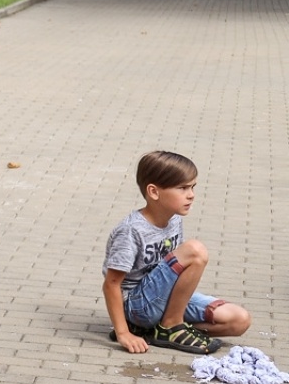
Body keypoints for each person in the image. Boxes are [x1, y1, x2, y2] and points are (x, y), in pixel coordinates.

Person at [104, 151, 249, 355]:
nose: (191, 194)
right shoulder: (131, 231)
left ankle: (158, 330)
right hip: (137, 306)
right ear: (154, 192)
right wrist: (122, 332)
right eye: (182, 188)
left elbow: (173, 272)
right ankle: (170, 326)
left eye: (192, 187)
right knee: (195, 250)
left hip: (162, 299)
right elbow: (111, 284)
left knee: (239, 320)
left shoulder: (174, 220)